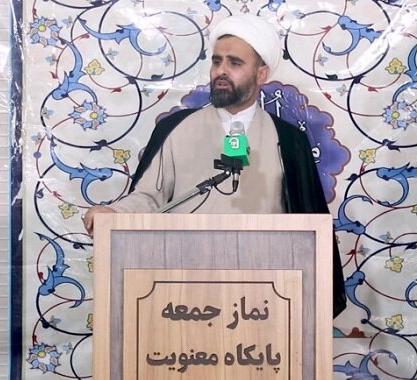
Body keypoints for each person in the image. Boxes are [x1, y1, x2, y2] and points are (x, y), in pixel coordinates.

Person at [82, 14, 347, 317]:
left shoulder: (288, 140)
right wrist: (113, 213)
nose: (221, 71)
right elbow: (149, 197)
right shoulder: (175, 128)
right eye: (217, 61)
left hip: (263, 294)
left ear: (261, 74)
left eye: (235, 63)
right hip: (183, 289)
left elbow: (305, 221)